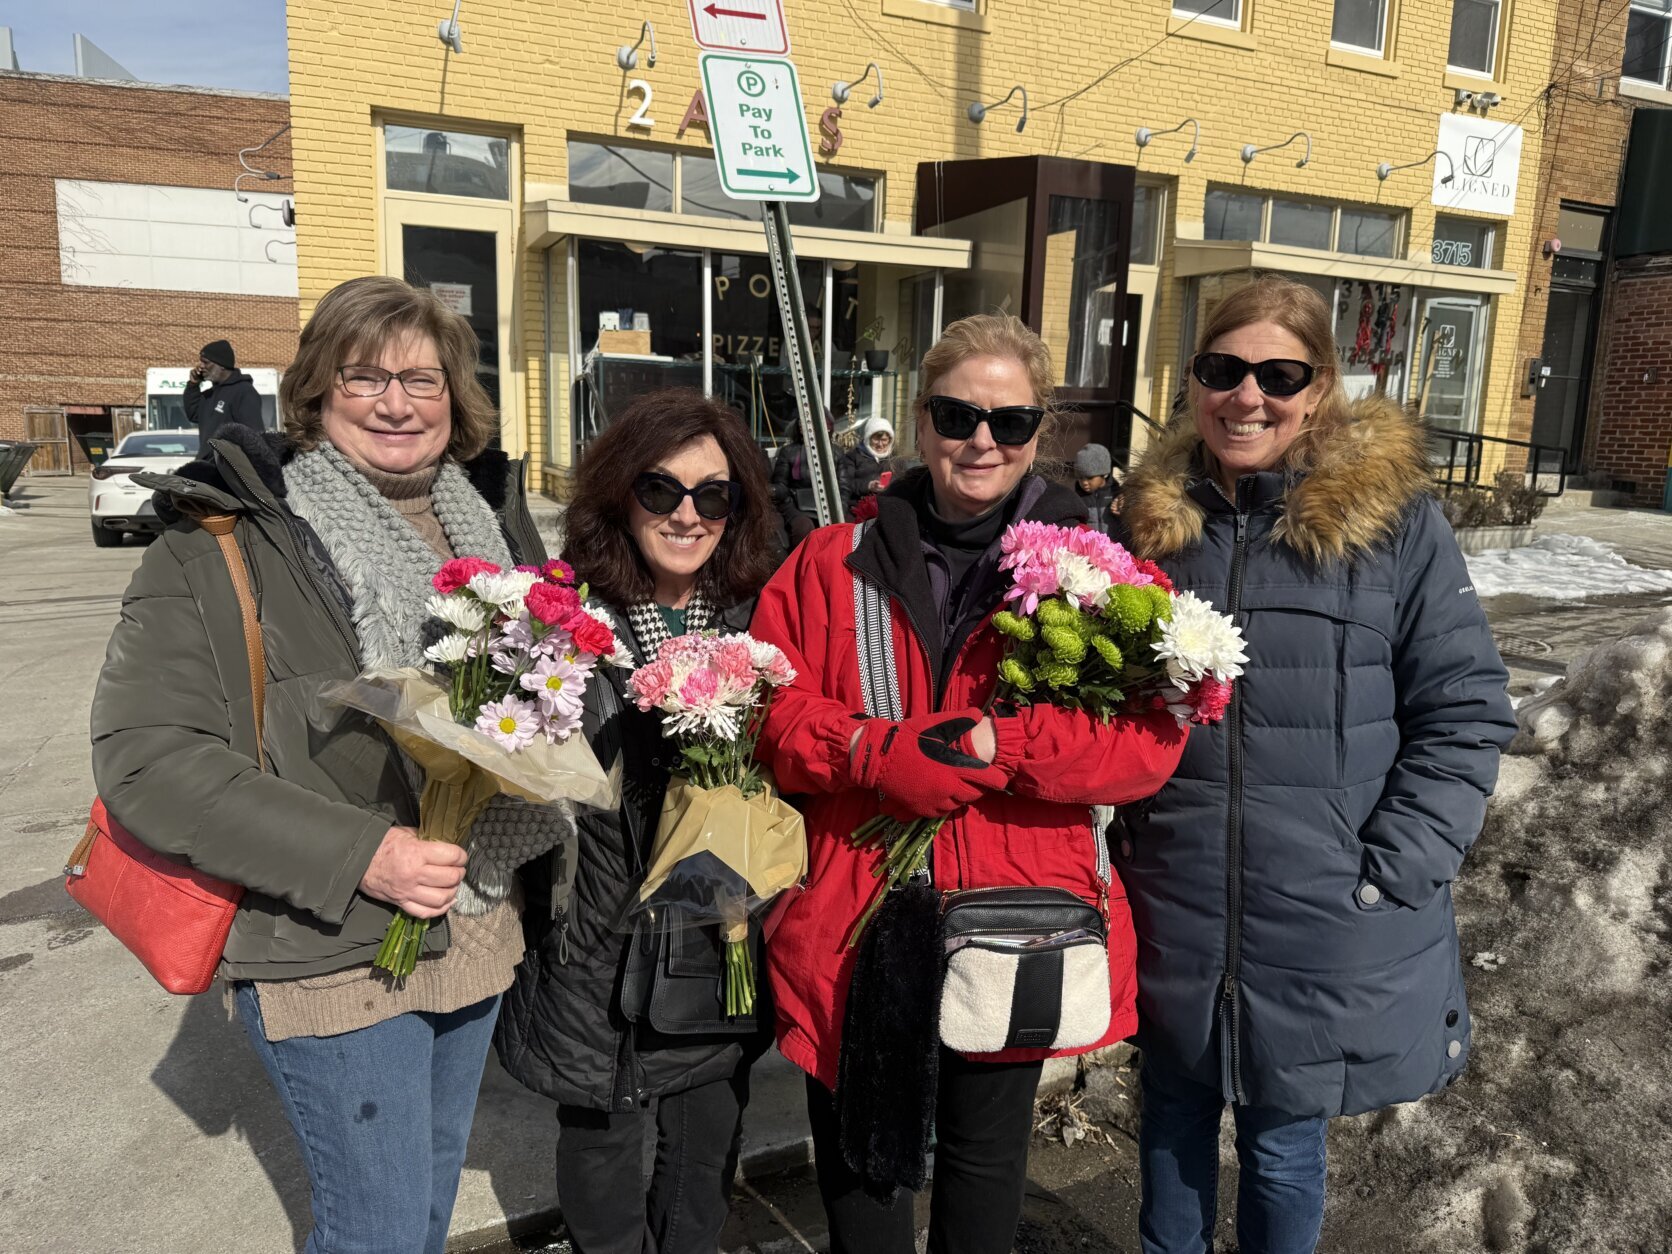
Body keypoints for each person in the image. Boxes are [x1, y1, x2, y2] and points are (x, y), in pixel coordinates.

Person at [92, 276, 547, 1254]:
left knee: (422, 1219)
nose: (397, 403)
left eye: (422, 379)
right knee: (377, 1234)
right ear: (314, 391)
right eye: (365, 377)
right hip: (331, 949)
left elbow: (535, 689)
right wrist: (363, 855)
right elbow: (145, 758)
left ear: (456, 396)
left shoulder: (489, 515)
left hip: (476, 925)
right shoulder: (227, 536)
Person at [748, 314, 1188, 1254]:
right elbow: (770, 715)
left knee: (986, 1178)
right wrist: (874, 753)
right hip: (861, 920)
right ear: (919, 422)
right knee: (866, 1172)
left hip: (1017, 915)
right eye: (957, 414)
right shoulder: (832, 563)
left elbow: (1147, 744)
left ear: (1041, 433)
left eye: (1011, 422)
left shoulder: (1099, 578)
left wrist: (1002, 745)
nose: (981, 439)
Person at [1112, 276, 1516, 1254]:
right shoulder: (1146, 531)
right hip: (1174, 908)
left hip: (1321, 918)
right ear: (1192, 380)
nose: (1247, 396)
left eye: (1277, 374)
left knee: (1282, 1148)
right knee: (1165, 1131)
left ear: (1319, 386)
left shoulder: (1393, 528)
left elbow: (1463, 710)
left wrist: (1391, 866)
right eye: (1223, 369)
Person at [495, 389, 780, 1254]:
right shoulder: (570, 622)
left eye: (713, 495)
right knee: (605, 1159)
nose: (687, 514)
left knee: (704, 1160)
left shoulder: (755, 615)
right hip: (598, 946)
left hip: (719, 938)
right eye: (661, 490)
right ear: (621, 494)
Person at [183, 339, 264, 442]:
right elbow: (194, 415)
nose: (201, 366)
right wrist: (193, 385)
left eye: (206, 362)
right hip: (207, 458)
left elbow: (254, 435)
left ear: (221, 365)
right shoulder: (210, 394)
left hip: (228, 458)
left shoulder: (243, 392)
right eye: (201, 362)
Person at [837, 415, 895, 514]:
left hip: (887, 508)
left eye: (884, 440)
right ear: (868, 438)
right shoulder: (853, 456)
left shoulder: (895, 459)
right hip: (858, 508)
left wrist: (890, 485)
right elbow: (846, 485)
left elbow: (903, 481)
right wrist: (868, 486)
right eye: (876, 439)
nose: (880, 444)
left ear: (890, 440)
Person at [1073, 441, 1119, 535]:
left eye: (1090, 477)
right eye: (1081, 478)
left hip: (1116, 547)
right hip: (1090, 547)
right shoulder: (1076, 498)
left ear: (1104, 474)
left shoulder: (1117, 494)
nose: (1085, 482)